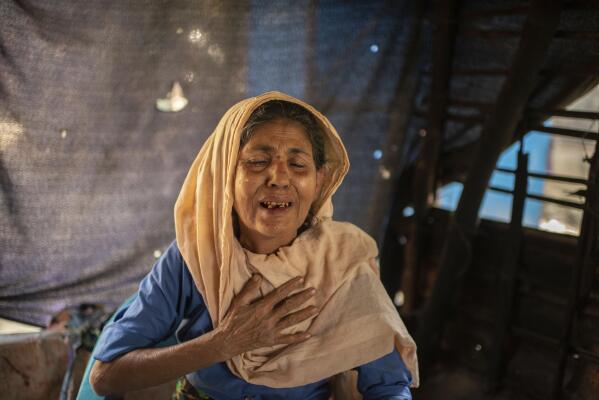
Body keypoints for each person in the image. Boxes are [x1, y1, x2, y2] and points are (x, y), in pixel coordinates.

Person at [89, 92, 419, 399]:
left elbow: (390, 388)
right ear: (224, 176)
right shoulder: (196, 256)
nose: (278, 177)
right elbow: (105, 376)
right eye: (258, 162)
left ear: (319, 180)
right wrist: (221, 344)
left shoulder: (344, 263)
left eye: (298, 165)